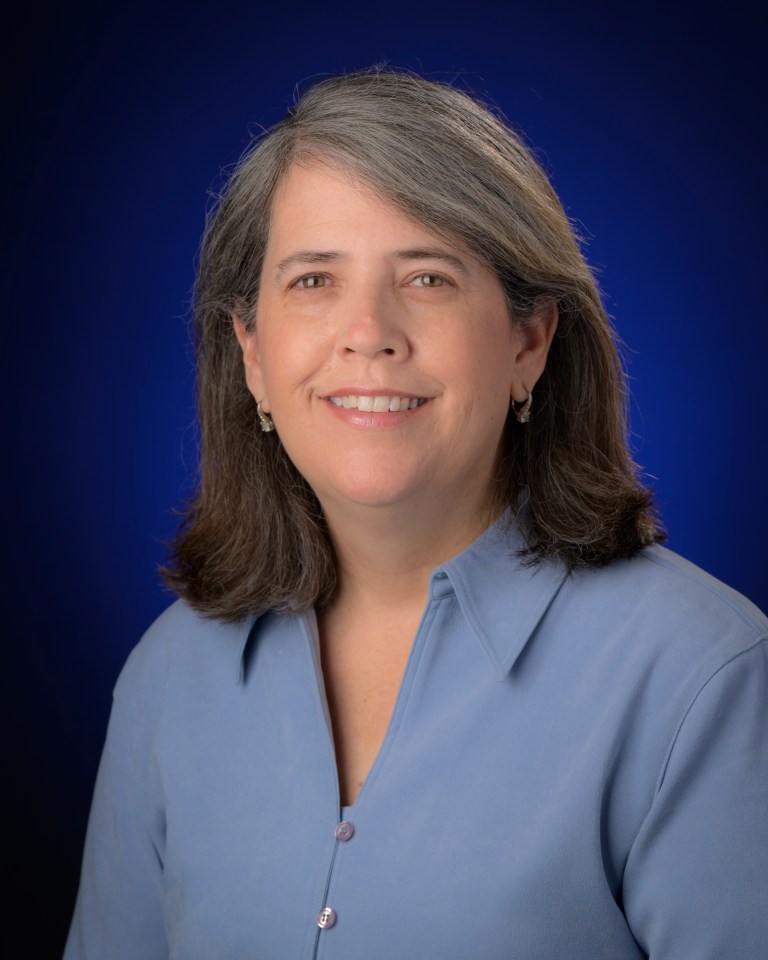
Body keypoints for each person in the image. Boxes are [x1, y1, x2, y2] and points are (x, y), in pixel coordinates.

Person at [64, 69, 767, 959]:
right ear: (251, 356)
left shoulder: (701, 677)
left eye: (428, 277)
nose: (369, 332)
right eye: (314, 280)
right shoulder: (169, 681)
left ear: (529, 342)